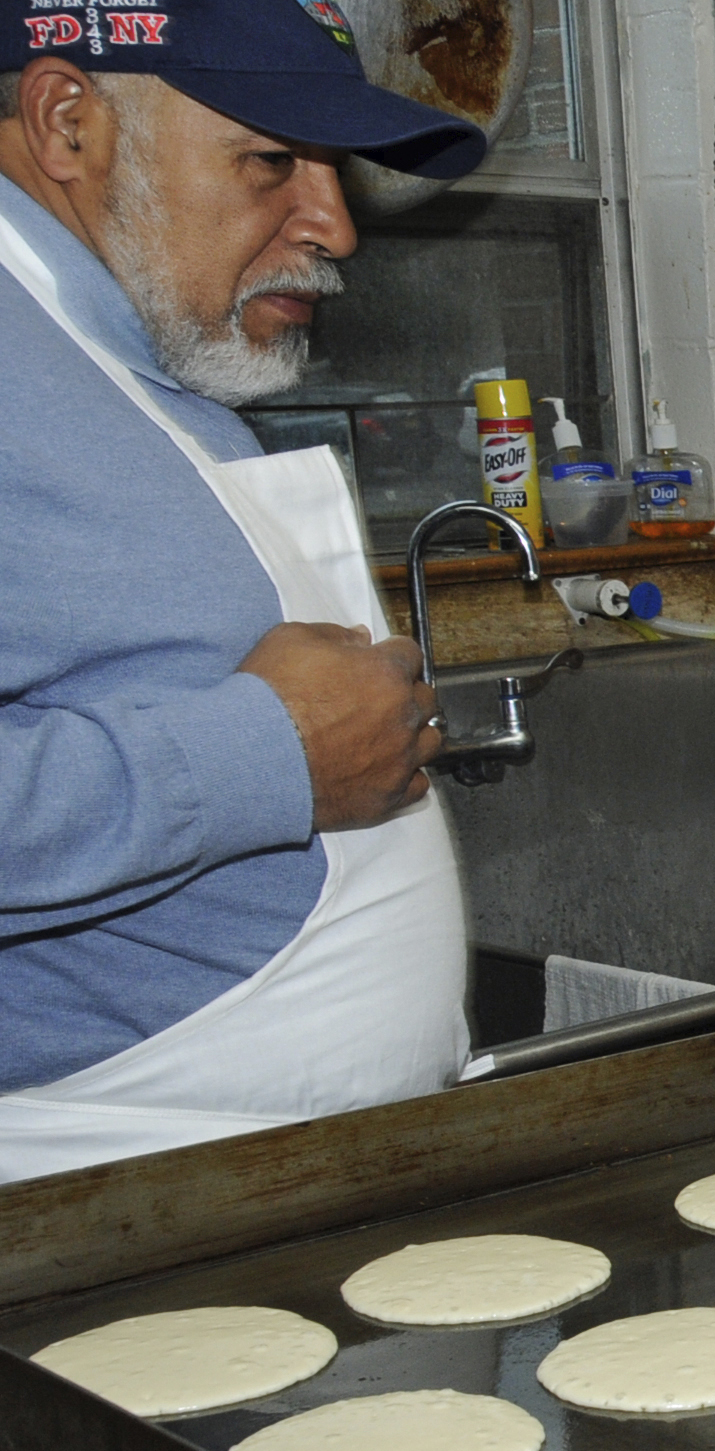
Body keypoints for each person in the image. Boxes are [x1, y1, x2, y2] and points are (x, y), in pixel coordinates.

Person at [1, 1, 487, 1183]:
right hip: (116, 1200)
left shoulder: (144, 358)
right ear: (70, 122)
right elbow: (269, 744)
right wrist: (269, 754)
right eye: (271, 159)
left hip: (306, 1172)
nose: (335, 226)